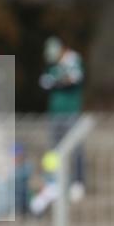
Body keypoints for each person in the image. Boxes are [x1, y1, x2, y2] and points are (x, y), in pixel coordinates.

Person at [39, 36, 85, 201]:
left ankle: (78, 182)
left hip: (71, 112)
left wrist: (58, 82)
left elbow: (73, 80)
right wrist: (58, 82)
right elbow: (45, 83)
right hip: (55, 113)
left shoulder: (73, 60)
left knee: (76, 149)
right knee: (53, 150)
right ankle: (54, 182)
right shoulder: (53, 65)